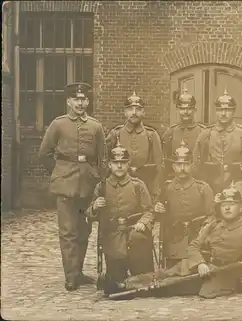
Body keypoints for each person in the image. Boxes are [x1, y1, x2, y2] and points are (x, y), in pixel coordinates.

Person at [38, 82, 106, 291]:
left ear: (88, 101)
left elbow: (102, 158)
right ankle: (70, 276)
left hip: (87, 184)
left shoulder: (95, 126)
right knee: (68, 231)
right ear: (68, 101)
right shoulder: (58, 124)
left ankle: (78, 271)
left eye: (84, 99)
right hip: (65, 184)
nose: (80, 103)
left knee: (83, 230)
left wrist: (97, 180)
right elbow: (44, 154)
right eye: (76, 99)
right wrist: (59, 173)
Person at [87, 142, 155, 295]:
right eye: (115, 163)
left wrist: (142, 222)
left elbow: (149, 211)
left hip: (134, 233)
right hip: (112, 236)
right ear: (110, 165)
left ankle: (140, 273)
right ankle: (116, 274)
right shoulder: (102, 187)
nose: (119, 166)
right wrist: (95, 207)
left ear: (128, 164)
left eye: (123, 163)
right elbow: (89, 214)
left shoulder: (138, 185)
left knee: (141, 280)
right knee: (116, 283)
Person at [184, 184, 242, 299]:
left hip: (229, 276)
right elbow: (193, 247)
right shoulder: (213, 226)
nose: (227, 208)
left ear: (241, 208)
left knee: (200, 291)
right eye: (224, 205)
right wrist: (200, 263)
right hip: (207, 268)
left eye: (232, 204)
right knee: (165, 277)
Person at [154, 140, 214, 269]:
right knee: (173, 273)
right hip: (174, 237)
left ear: (191, 165)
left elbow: (212, 216)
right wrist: (158, 209)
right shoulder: (167, 187)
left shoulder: (203, 188)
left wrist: (204, 229)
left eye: (186, 164)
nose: (182, 168)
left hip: (198, 236)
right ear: (173, 166)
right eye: (178, 164)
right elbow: (159, 214)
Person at [193, 89, 242, 193]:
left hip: (238, 186)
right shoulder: (206, 134)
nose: (223, 113)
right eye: (219, 110)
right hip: (210, 186)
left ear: (234, 111)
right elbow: (196, 164)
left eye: (227, 110)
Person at [106, 91, 163, 201]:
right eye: (130, 109)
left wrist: (156, 190)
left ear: (143, 112)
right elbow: (106, 161)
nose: (134, 112)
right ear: (125, 113)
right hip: (120, 188)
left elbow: (159, 166)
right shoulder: (116, 133)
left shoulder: (151, 135)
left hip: (146, 186)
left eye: (138, 109)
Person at [162, 88, 206, 181]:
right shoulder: (171, 132)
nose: (186, 112)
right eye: (182, 109)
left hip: (197, 179)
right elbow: (166, 158)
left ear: (195, 110)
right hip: (175, 179)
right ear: (177, 110)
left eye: (189, 108)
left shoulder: (203, 132)